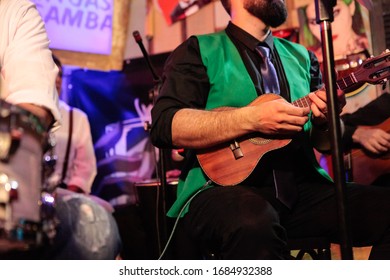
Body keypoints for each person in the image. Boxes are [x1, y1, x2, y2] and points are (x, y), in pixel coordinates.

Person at [150, 0, 390, 259]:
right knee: (254, 221)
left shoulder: (302, 57)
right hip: (219, 191)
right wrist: (251, 119)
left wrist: (323, 120)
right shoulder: (199, 50)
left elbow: (323, 144)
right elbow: (165, 125)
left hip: (300, 190)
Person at [0, 0, 121, 259]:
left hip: (45, 188)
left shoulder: (76, 117)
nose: (54, 84)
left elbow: (86, 167)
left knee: (96, 223)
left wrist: (68, 190)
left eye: (57, 79)